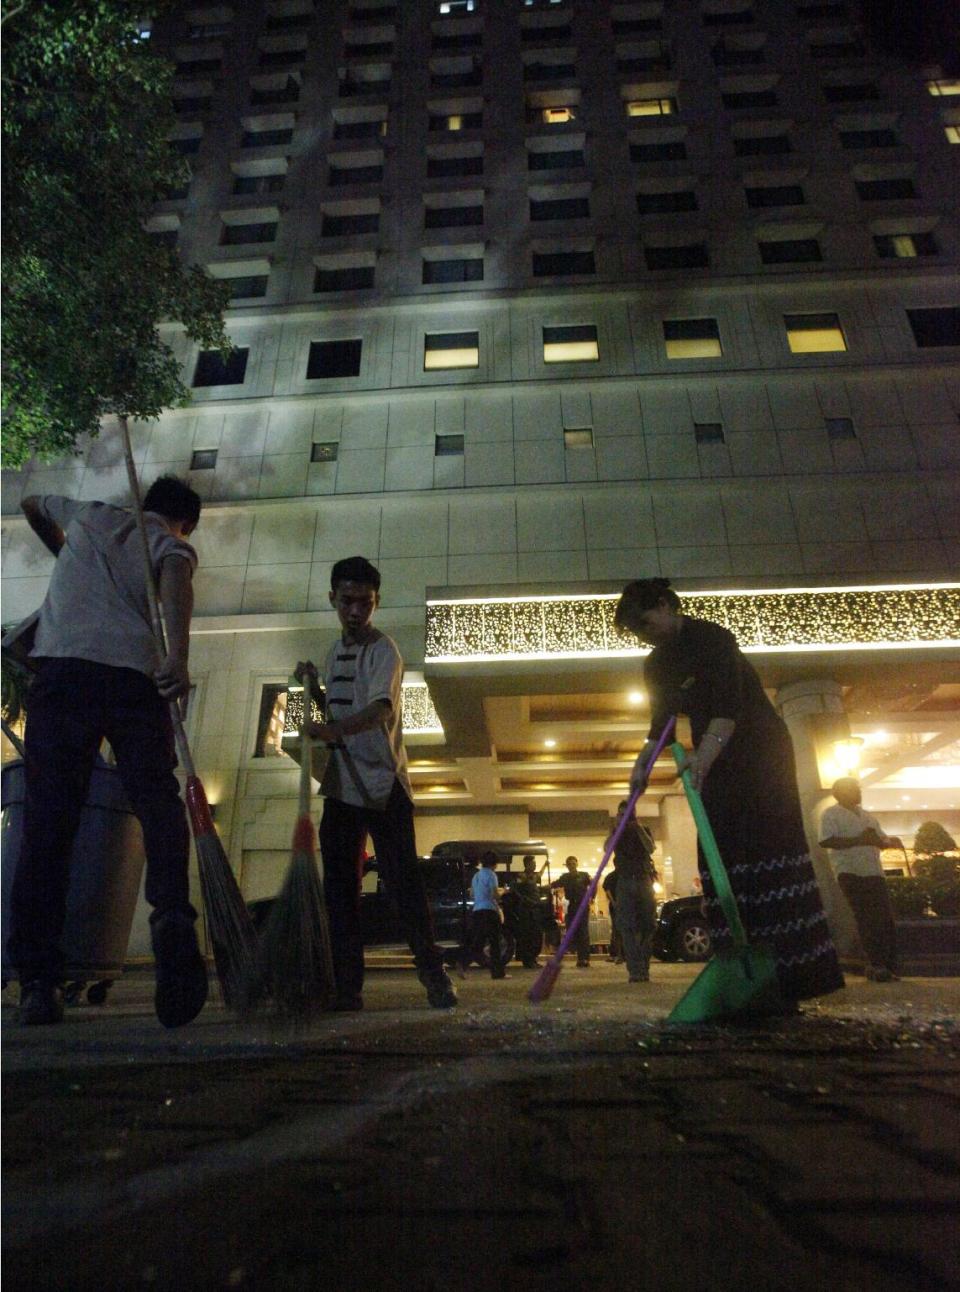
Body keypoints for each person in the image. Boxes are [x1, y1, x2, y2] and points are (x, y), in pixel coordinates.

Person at [10, 478, 208, 1029]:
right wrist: (179, 657)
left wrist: (64, 548)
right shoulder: (165, 541)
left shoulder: (90, 515)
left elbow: (31, 500)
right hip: (132, 682)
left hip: (63, 674)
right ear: (184, 522)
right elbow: (176, 575)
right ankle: (170, 915)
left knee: (48, 824)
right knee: (157, 804)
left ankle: (38, 982)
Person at [616, 577, 844, 1015]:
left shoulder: (714, 639)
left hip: (759, 753)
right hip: (713, 751)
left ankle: (790, 978)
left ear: (666, 605)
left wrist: (702, 760)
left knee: (767, 850)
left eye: (646, 624)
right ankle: (739, 972)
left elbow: (728, 706)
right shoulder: (655, 664)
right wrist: (643, 762)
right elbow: (662, 719)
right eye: (637, 633)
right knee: (722, 852)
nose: (644, 636)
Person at [297, 556, 457, 1012]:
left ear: (376, 603)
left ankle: (434, 975)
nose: (355, 610)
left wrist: (331, 731)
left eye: (364, 602)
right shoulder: (333, 653)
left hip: (385, 788)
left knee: (404, 885)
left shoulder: (384, 649)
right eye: (346, 600)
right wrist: (316, 688)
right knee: (340, 892)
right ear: (333, 599)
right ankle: (347, 989)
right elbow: (341, 709)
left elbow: (379, 710)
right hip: (343, 786)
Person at [819, 778, 902, 981]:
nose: (859, 792)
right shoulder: (831, 814)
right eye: (854, 789)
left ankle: (889, 965)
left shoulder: (867, 816)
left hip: (874, 871)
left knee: (884, 918)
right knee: (866, 917)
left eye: (858, 788)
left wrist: (889, 842)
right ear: (840, 793)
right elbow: (827, 840)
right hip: (850, 872)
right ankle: (876, 964)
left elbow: (880, 840)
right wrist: (860, 840)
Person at [607, 800, 658, 982]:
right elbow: (607, 849)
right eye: (623, 814)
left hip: (643, 880)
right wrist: (617, 827)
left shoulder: (644, 829)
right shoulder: (617, 832)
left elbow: (651, 848)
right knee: (627, 927)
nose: (627, 817)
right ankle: (635, 970)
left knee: (648, 925)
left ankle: (644, 967)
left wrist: (638, 828)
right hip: (625, 881)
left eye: (630, 813)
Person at [461, 851, 508, 979]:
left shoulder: (476, 876)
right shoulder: (491, 875)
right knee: (495, 943)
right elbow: (494, 895)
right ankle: (497, 973)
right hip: (489, 911)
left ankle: (463, 963)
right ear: (494, 863)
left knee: (478, 942)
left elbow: (472, 894)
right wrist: (503, 892)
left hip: (477, 911)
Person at [551, 856, 592, 967]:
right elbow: (555, 884)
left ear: (577, 864)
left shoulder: (584, 875)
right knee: (575, 931)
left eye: (573, 863)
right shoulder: (565, 877)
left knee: (583, 932)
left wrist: (591, 898)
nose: (572, 866)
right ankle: (580, 958)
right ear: (567, 866)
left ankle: (585, 959)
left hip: (582, 905)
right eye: (569, 864)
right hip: (572, 906)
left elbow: (593, 885)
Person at [510, 853, 544, 969]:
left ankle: (532, 959)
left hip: (535, 910)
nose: (535, 865)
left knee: (536, 935)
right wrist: (526, 900)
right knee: (528, 935)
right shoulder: (522, 876)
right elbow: (514, 890)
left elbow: (539, 875)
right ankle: (528, 960)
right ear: (527, 864)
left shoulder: (532, 876)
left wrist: (545, 865)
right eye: (533, 863)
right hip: (527, 910)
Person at [602, 870, 624, 963]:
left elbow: (607, 890)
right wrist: (614, 902)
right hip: (619, 905)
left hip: (619, 904)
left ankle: (618, 954)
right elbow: (607, 890)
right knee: (618, 929)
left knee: (617, 929)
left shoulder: (612, 876)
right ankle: (618, 954)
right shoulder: (614, 876)